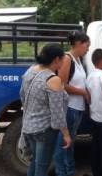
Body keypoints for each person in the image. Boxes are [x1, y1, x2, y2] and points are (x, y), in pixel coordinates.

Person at [20, 43, 71, 176]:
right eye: (63, 60)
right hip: (44, 130)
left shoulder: (31, 70)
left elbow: (22, 95)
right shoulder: (53, 79)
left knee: (34, 162)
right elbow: (57, 112)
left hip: (28, 126)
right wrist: (66, 134)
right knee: (42, 167)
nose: (63, 64)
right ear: (56, 60)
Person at [54, 31, 90, 176]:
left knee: (69, 144)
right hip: (69, 108)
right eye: (87, 45)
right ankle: (62, 172)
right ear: (79, 44)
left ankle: (69, 172)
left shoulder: (78, 59)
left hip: (77, 108)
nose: (88, 49)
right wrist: (83, 92)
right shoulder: (67, 58)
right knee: (63, 145)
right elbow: (61, 85)